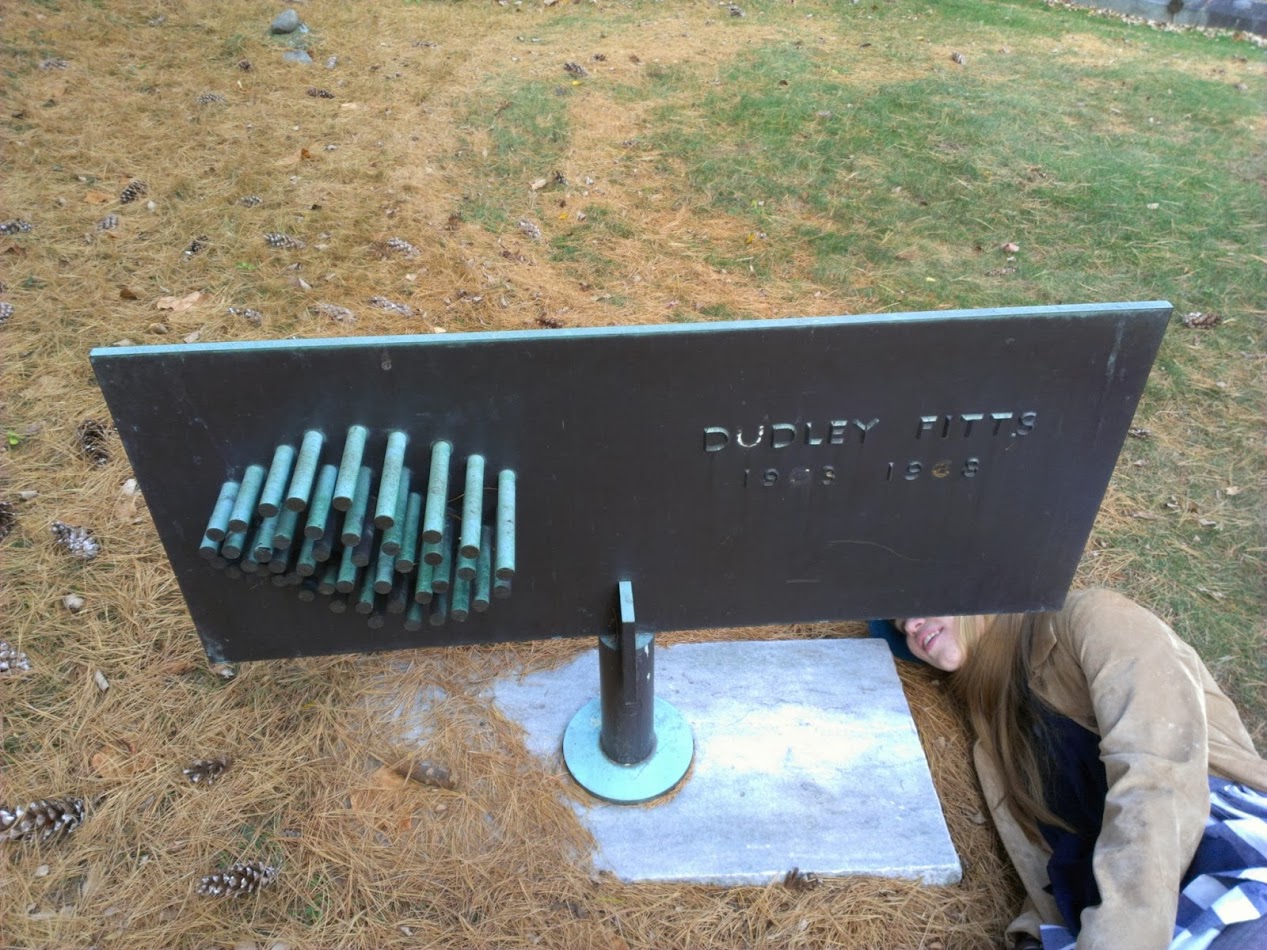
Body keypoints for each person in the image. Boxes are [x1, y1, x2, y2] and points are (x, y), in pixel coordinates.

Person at [870, 589, 1267, 949]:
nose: (911, 626)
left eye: (917, 605)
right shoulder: (993, 745)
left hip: (1216, 846)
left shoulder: (1090, 616)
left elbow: (1160, 777)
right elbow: (1051, 859)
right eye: (901, 626)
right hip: (1111, 896)